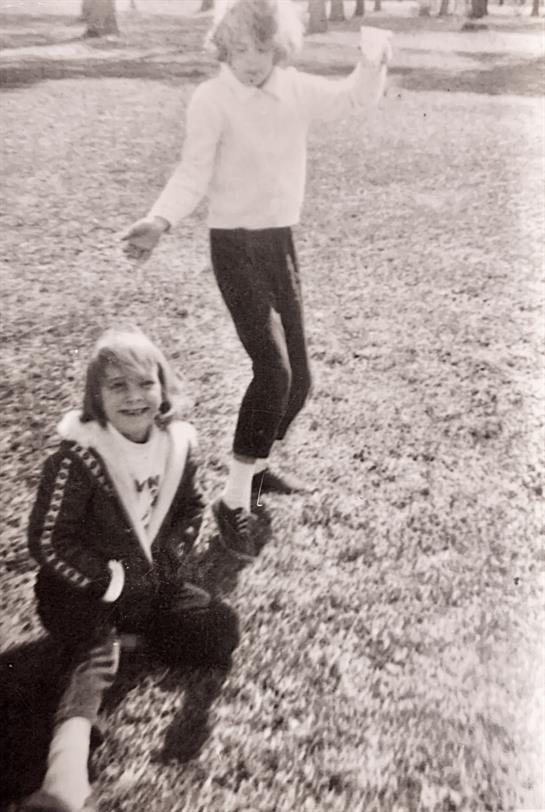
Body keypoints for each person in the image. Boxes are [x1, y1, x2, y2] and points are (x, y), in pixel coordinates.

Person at [122, 0, 392, 561]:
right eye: (239, 49)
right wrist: (160, 219)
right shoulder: (212, 99)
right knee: (273, 370)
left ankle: (259, 467)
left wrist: (372, 59)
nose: (250, 62)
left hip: (278, 244)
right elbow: (193, 170)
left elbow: (352, 99)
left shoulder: (293, 89)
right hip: (235, 247)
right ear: (223, 47)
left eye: (262, 49)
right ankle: (232, 498)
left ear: (280, 48)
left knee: (300, 382)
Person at [21, 325, 239, 812]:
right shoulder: (76, 458)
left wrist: (168, 560)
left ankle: (130, 639)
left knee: (218, 630)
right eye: (117, 386)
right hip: (84, 590)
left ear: (163, 387)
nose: (135, 397)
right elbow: (48, 541)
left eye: (145, 382)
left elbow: (190, 508)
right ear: (96, 398)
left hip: (148, 583)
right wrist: (110, 579)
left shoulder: (177, 445)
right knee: (93, 653)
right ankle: (66, 775)